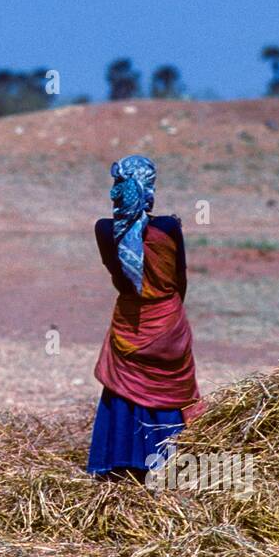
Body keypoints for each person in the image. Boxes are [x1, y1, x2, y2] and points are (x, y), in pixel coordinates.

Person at [87, 156, 200, 480]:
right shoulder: (168, 227)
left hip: (130, 324)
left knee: (123, 390)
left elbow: (119, 279)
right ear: (149, 187)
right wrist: (169, 315)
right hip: (167, 321)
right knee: (168, 393)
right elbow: (180, 280)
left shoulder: (104, 230)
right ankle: (170, 463)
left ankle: (120, 462)